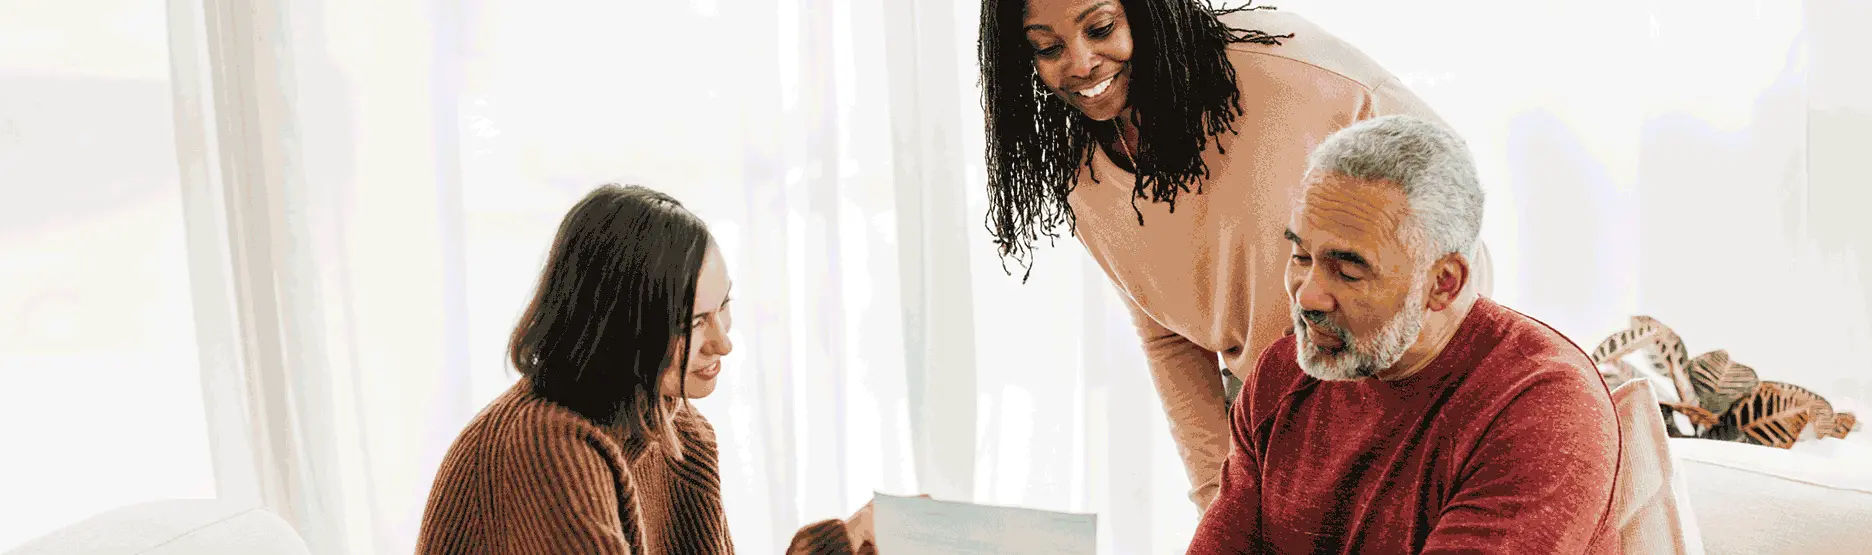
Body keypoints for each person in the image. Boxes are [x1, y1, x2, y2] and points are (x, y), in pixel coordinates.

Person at [976, 0, 1496, 513]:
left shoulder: (1287, 68)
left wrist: (1413, 394)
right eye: (1047, 48)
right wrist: (1218, 496)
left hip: (1411, 392)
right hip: (1271, 419)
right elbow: (1169, 337)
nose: (1081, 64)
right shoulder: (1079, 172)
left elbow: (1451, 196)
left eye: (1101, 27)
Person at [1187, 115, 1621, 553]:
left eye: (1348, 271)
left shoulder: (1543, 407)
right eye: (1301, 256)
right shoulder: (1281, 377)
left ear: (1443, 283)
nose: (1307, 296)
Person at [416, 184, 881, 554]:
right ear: (617, 326)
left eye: (724, 306)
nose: (723, 342)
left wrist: (849, 542)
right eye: (693, 322)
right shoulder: (546, 448)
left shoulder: (681, 430)